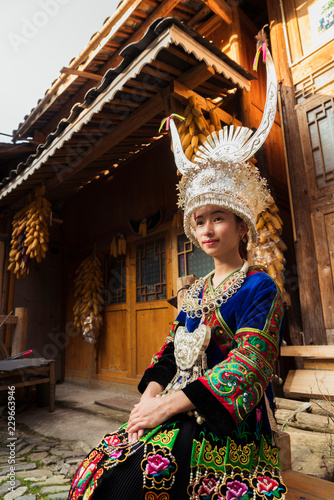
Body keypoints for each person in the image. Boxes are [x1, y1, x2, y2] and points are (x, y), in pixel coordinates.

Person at [68, 39, 287, 500]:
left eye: (219, 218)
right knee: (94, 472)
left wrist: (168, 407)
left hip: (227, 422)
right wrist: (146, 399)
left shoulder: (260, 287)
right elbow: (169, 354)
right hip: (172, 406)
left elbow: (247, 366)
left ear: (242, 225)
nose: (208, 230)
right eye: (199, 220)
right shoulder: (194, 290)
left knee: (136, 482)